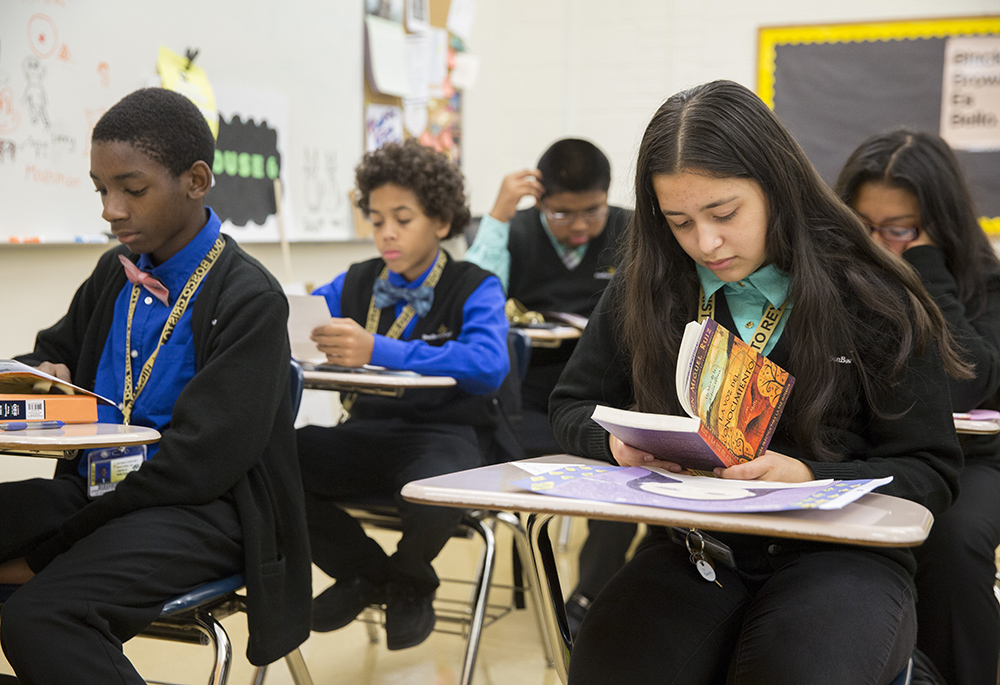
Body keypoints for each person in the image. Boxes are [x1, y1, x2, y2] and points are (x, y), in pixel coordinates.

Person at [550, 80, 968, 684]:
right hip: (700, 549)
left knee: (796, 666)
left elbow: (930, 470)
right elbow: (570, 405)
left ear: (777, 186)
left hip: (841, 555)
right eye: (679, 221)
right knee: (611, 661)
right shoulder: (650, 285)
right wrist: (614, 445)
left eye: (724, 214)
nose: (705, 243)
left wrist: (813, 477)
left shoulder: (873, 296)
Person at [0, 88, 311, 684]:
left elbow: (197, 467)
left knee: (44, 617)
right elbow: (50, 356)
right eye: (100, 189)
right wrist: (42, 378)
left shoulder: (249, 298)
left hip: (201, 511)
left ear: (196, 181)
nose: (110, 209)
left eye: (132, 189)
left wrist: (47, 553)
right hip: (100, 493)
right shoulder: (112, 275)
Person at [298, 139, 510, 651]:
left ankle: (412, 577)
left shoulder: (474, 285)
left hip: (444, 436)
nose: (386, 233)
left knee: (436, 483)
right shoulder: (355, 281)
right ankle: (366, 571)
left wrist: (378, 348)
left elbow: (488, 364)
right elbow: (299, 321)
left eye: (402, 218)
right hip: (366, 433)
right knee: (272, 459)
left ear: (440, 221)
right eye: (375, 220)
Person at [836, 129, 1000, 685]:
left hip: (973, 460)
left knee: (950, 537)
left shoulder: (984, 284)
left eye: (900, 230)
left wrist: (925, 269)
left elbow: (964, 383)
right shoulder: (833, 276)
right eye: (863, 226)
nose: (879, 244)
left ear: (938, 227)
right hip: (870, 453)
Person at [465, 138, 638, 634]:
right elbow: (469, 294)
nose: (580, 226)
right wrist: (498, 214)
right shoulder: (514, 233)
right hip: (529, 401)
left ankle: (586, 602)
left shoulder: (632, 231)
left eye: (592, 212)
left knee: (625, 486)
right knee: (546, 467)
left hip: (610, 398)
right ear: (539, 202)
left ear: (608, 197)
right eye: (562, 214)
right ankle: (554, 594)